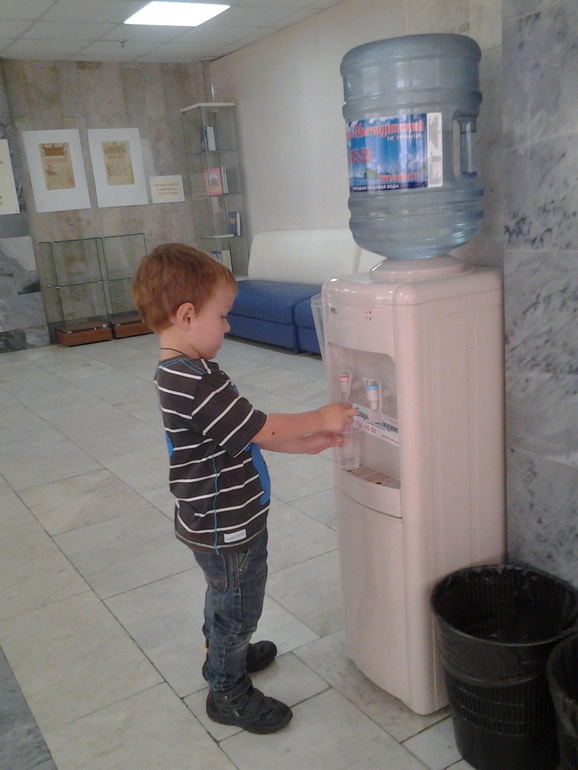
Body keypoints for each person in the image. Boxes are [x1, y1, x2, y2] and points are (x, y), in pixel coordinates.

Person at [130, 243, 356, 735]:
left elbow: (240, 434)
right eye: (222, 316)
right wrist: (320, 417)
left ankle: (223, 655)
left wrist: (305, 444)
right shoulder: (194, 382)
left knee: (225, 597)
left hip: (217, 519)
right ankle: (227, 692)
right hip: (225, 525)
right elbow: (259, 426)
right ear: (186, 316)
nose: (228, 327)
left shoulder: (189, 372)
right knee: (237, 606)